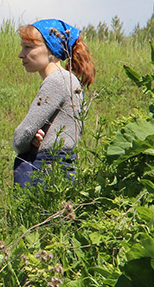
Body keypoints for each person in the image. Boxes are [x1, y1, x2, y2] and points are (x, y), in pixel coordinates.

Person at [12, 19, 96, 188]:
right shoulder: (69, 80)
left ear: (50, 50)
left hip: (46, 170)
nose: (22, 54)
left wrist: (27, 141)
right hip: (61, 167)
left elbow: (21, 136)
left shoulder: (57, 81)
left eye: (28, 47)